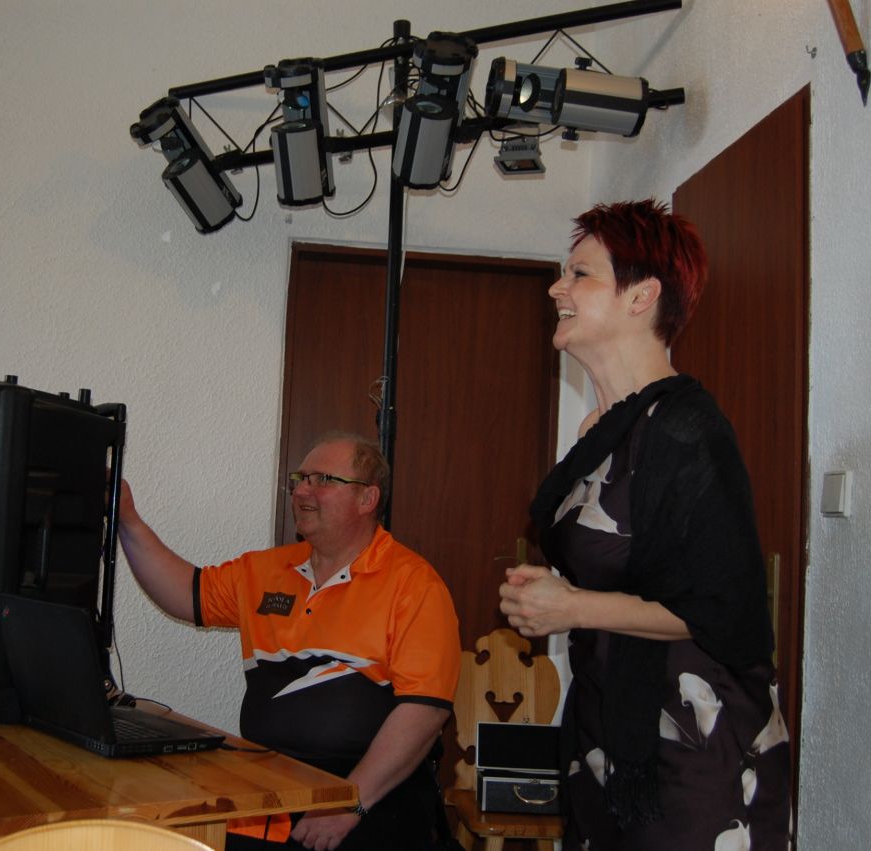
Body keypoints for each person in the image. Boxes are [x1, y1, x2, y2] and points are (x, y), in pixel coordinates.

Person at [498, 200, 791, 849]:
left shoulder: (686, 429)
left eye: (580, 274)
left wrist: (573, 605)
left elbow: (724, 610)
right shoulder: (599, 432)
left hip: (694, 753)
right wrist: (551, 598)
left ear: (641, 296)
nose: (557, 289)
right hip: (606, 734)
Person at [118, 431, 461, 851]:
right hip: (272, 787)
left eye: (323, 480)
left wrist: (348, 804)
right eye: (300, 479)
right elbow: (186, 594)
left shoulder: (415, 584)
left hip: (370, 798)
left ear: (367, 498)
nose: (301, 491)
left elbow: (425, 712)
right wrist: (127, 519)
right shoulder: (265, 571)